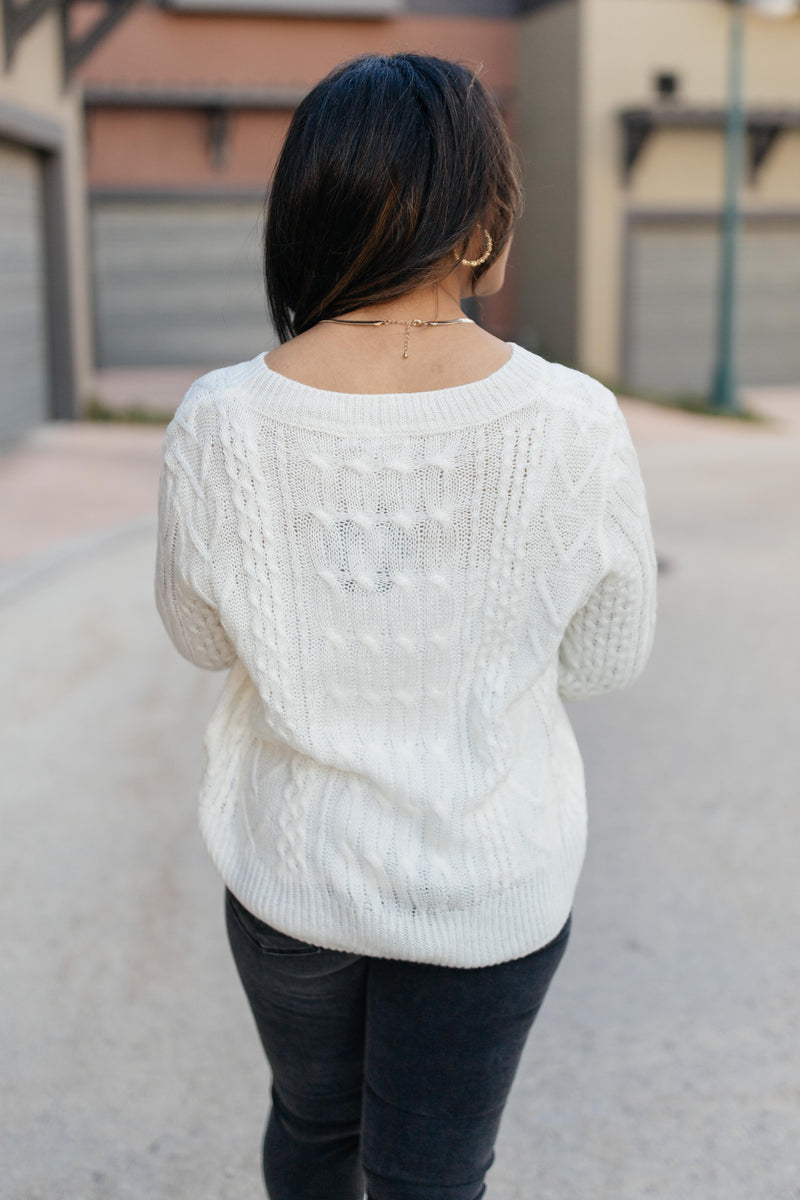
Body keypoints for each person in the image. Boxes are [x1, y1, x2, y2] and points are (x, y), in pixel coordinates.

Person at [155, 51, 657, 1200]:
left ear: (309, 212)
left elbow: (196, 636)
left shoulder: (222, 419)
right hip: (490, 882)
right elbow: (605, 658)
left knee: (312, 1130)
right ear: (479, 230)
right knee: (431, 1177)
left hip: (291, 872)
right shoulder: (572, 422)